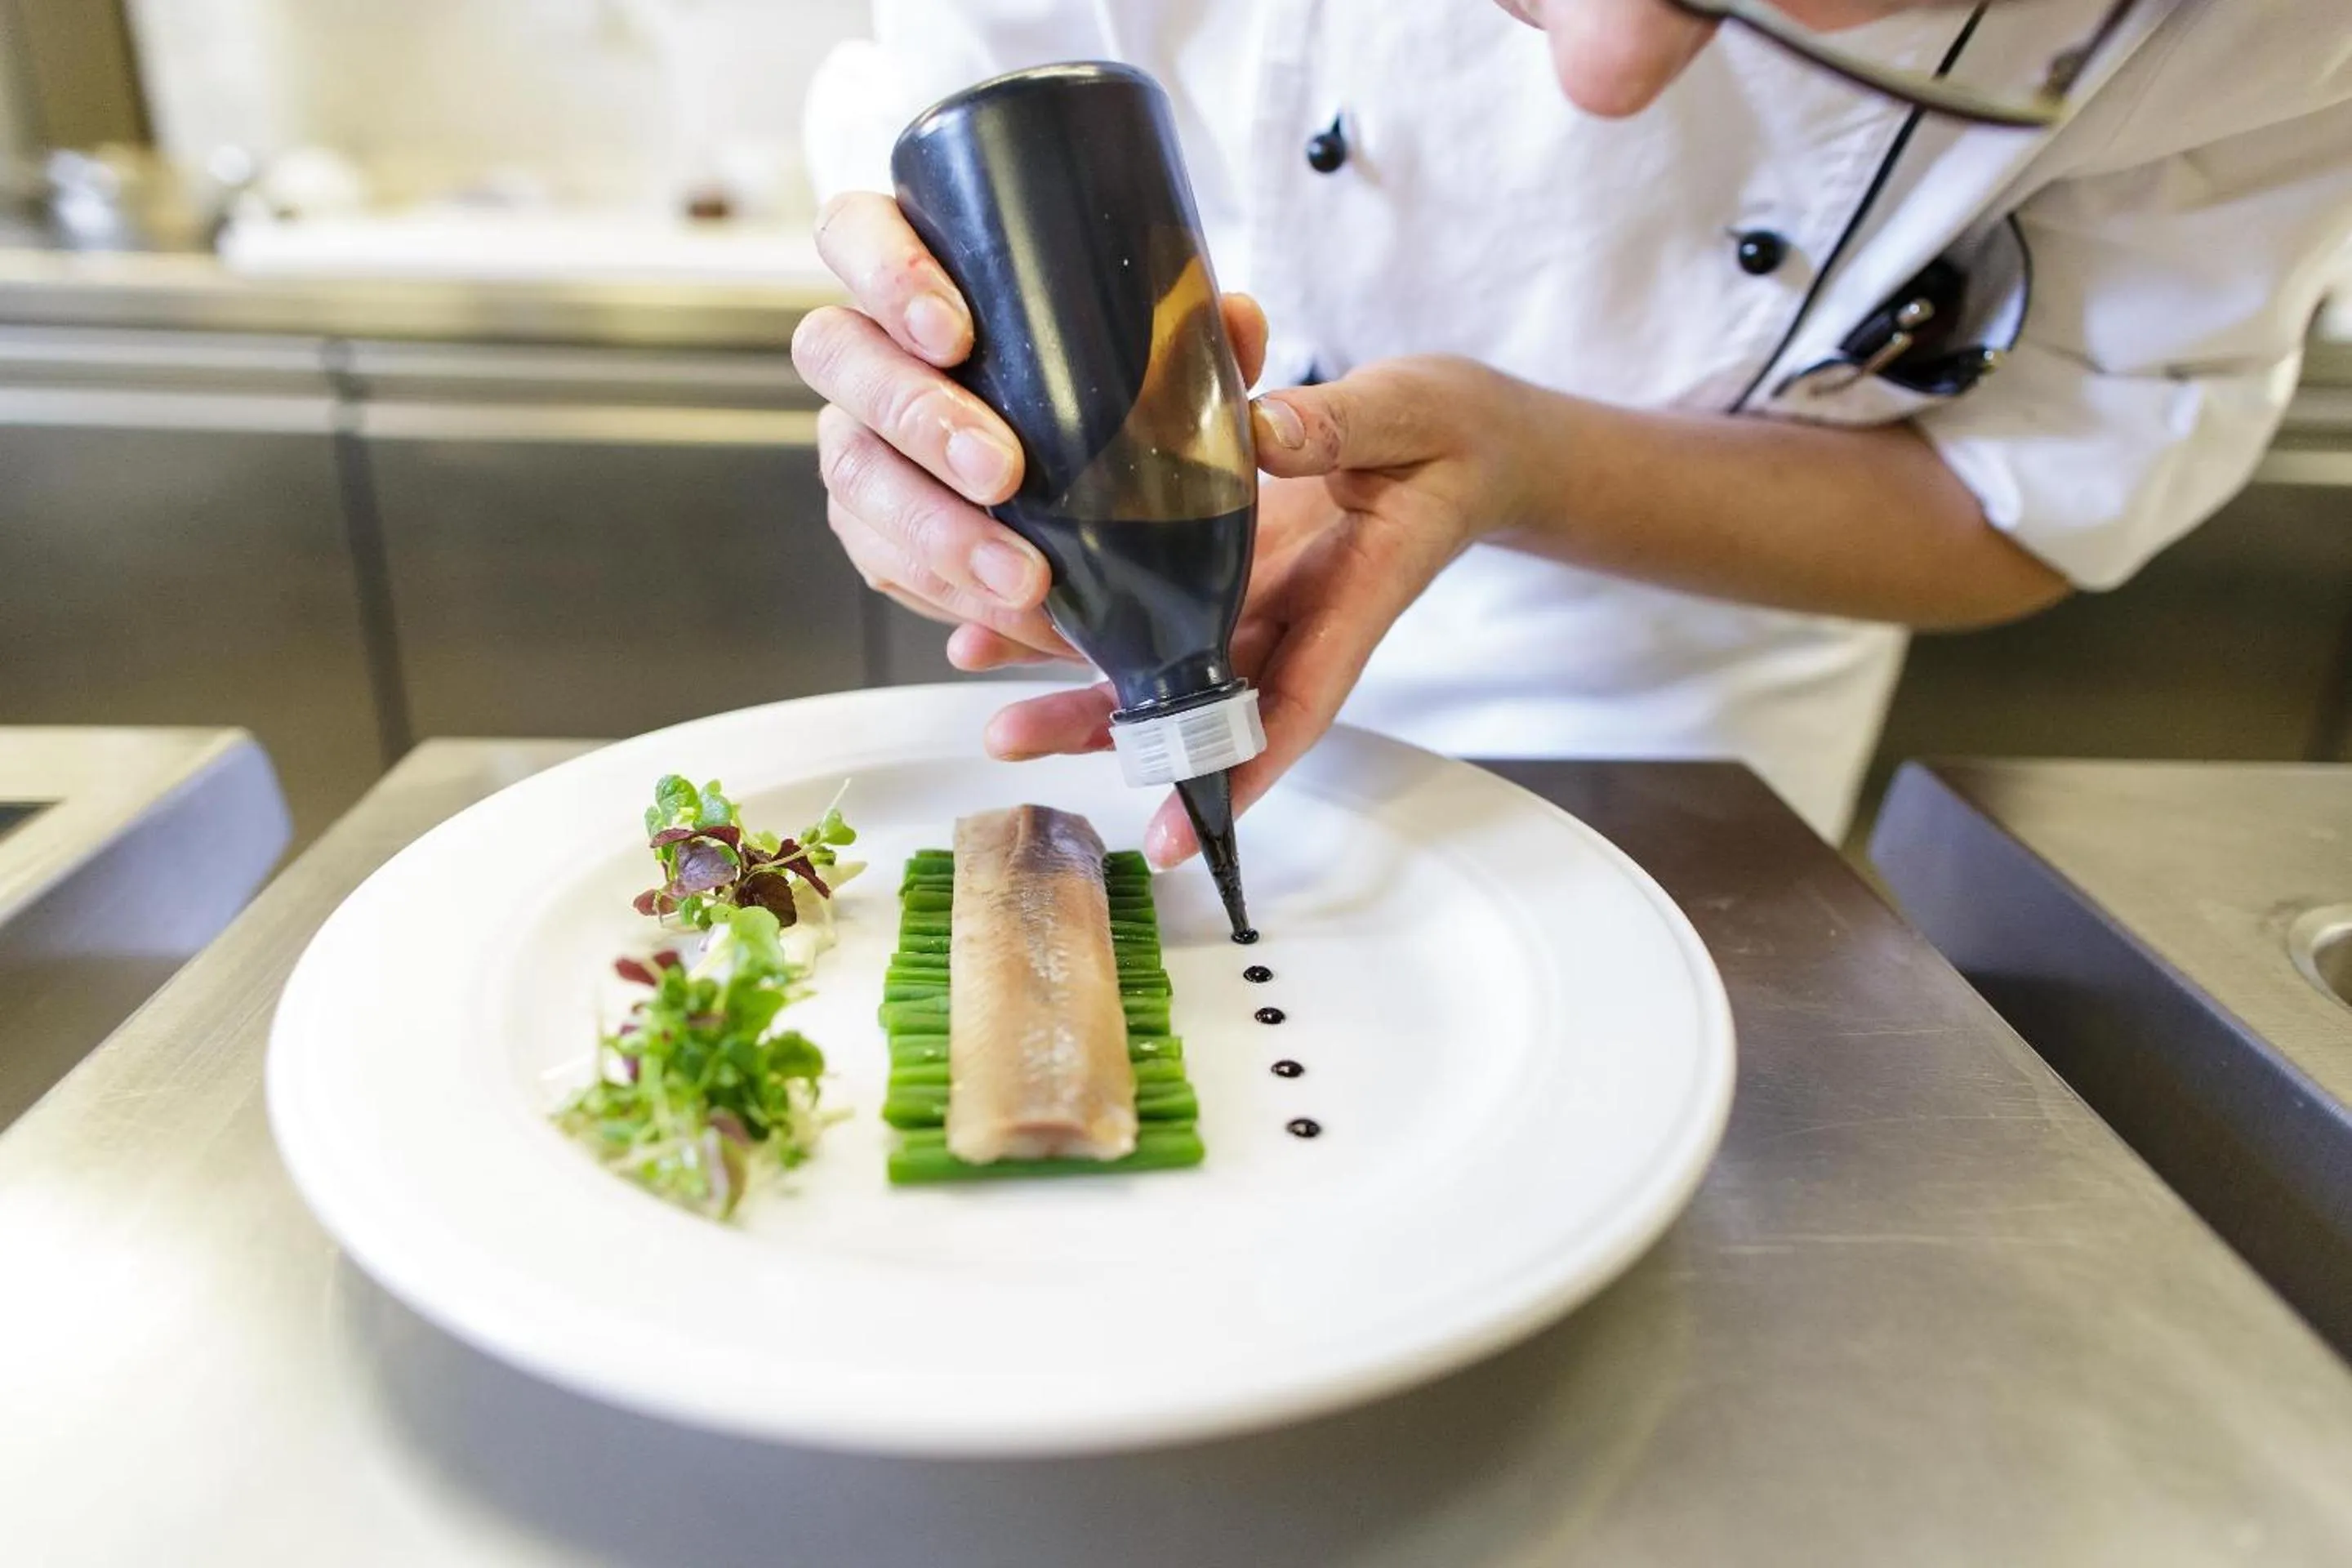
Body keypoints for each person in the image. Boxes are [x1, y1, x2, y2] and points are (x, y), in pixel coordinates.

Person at [791, 0, 2352, 865]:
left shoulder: (2280, 37)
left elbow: (2043, 487)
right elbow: (955, 116)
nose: (1600, 72)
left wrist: (1531, 462)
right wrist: (925, 382)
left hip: (1684, 738)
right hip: (1137, 591)